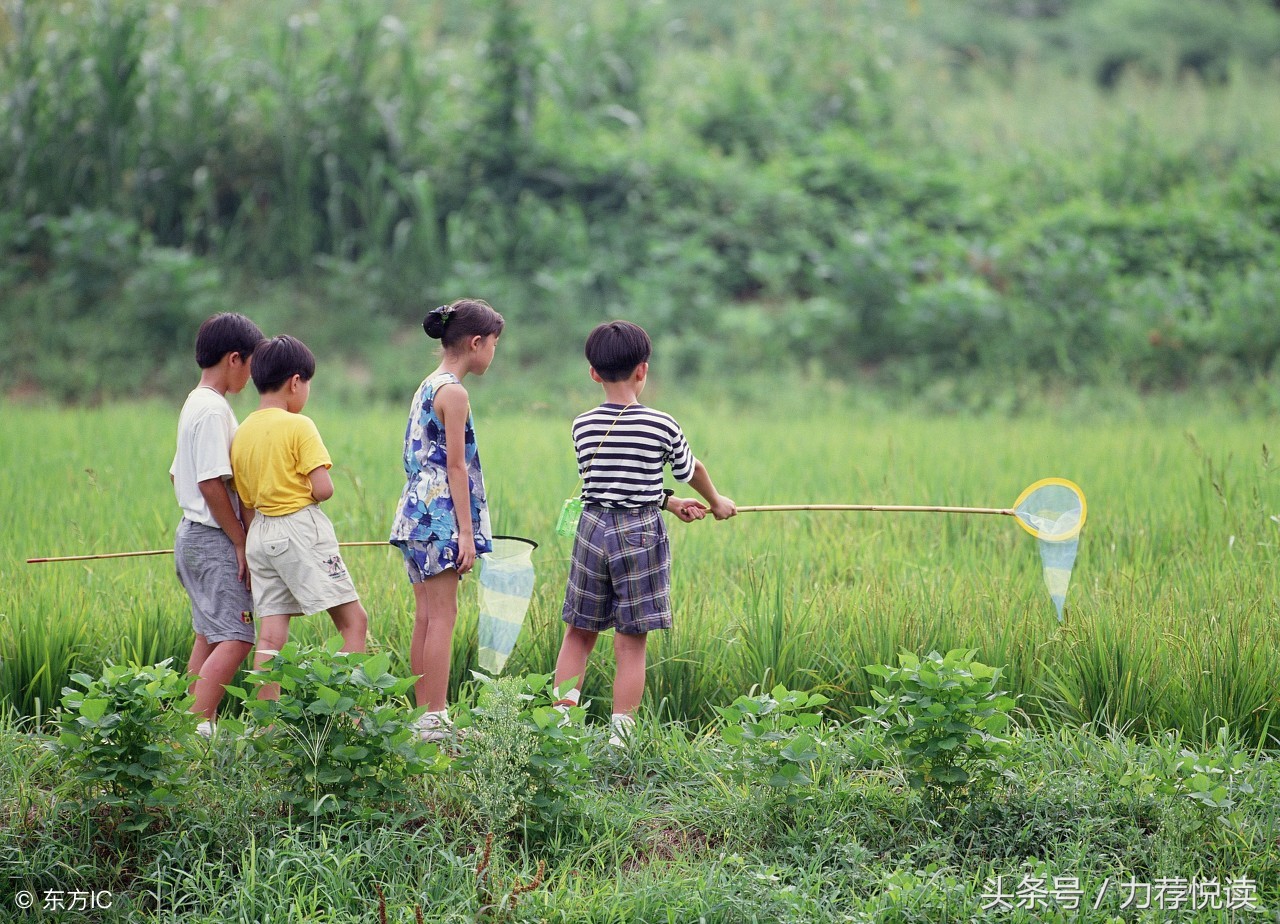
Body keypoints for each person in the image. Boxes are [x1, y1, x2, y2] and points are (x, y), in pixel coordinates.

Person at [552, 320, 736, 746]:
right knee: (631, 639)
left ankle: (558, 730)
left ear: (593, 372)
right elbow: (692, 471)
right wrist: (718, 501)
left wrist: (668, 502)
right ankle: (621, 738)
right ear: (643, 370)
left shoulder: (582, 426)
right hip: (639, 532)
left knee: (579, 632)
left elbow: (611, 483)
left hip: (592, 528)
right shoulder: (661, 424)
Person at [390, 299, 505, 742]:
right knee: (443, 614)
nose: (493, 353)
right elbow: (456, 466)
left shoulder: (427, 385)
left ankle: (423, 716)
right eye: (493, 344)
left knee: (426, 614)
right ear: (476, 343)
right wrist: (465, 533)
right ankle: (435, 717)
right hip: (439, 513)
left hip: (414, 509)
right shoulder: (454, 392)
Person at [231, 335, 368, 699]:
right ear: (295, 381)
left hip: (260, 533)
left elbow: (245, 500)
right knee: (355, 624)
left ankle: (266, 726)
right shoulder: (299, 426)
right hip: (299, 529)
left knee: (272, 636)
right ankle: (343, 715)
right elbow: (323, 489)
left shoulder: (242, 432)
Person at [171, 312, 265, 737]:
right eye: (250, 364)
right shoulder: (213, 411)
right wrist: (240, 539)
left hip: (191, 535)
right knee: (239, 636)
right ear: (234, 359)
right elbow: (210, 481)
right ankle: (197, 725)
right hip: (212, 539)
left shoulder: (195, 402)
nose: (251, 374)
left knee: (209, 635)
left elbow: (177, 474)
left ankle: (184, 727)